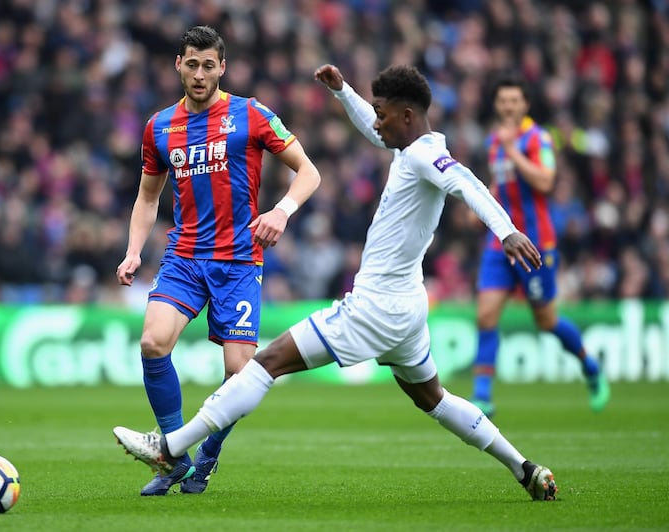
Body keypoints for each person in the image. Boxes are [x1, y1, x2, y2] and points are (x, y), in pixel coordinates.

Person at [113, 64, 558, 501]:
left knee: (264, 363)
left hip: (375, 308)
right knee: (434, 399)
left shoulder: (426, 155)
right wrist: (345, 92)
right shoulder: (412, 146)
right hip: (408, 307)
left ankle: (169, 448)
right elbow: (378, 130)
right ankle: (524, 467)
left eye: (382, 113)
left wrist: (507, 230)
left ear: (406, 116)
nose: (376, 122)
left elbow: (466, 182)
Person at [115, 25, 321, 496]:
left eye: (209, 65)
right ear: (178, 65)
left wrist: (282, 211)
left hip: (238, 262)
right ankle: (175, 460)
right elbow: (148, 199)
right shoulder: (160, 127)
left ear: (222, 67)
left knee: (239, 372)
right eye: (192, 64)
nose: (200, 74)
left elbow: (309, 172)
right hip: (184, 257)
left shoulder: (252, 114)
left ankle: (207, 456)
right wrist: (132, 252)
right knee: (151, 343)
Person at [470, 76, 610, 418]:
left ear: (525, 105)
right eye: (503, 101)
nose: (508, 107)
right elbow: (498, 183)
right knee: (486, 315)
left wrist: (514, 150)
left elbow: (546, 181)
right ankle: (482, 397)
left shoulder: (538, 138)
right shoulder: (493, 141)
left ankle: (590, 366)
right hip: (500, 241)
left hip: (535, 243)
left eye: (514, 101)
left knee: (546, 321)